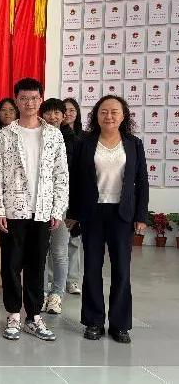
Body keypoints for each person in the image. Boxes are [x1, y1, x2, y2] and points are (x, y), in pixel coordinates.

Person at [0, 78, 68, 342]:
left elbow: (61, 174)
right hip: (13, 210)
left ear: (40, 100)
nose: (29, 103)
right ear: (16, 100)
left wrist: (57, 209)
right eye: (24, 98)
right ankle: (13, 314)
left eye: (34, 98)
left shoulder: (54, 135)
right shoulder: (4, 135)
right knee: (11, 265)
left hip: (43, 211)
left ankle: (34, 316)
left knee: (37, 265)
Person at [69, 96, 148, 344]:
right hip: (92, 213)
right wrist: (72, 213)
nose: (109, 116)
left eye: (114, 112)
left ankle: (120, 325)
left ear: (123, 116)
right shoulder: (84, 142)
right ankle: (93, 322)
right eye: (104, 112)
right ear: (96, 115)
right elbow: (75, 179)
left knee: (122, 270)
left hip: (122, 215)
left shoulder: (134, 144)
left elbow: (142, 182)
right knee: (92, 268)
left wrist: (141, 216)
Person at [39, 98, 76, 316]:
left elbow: (78, 177)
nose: (52, 117)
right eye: (48, 113)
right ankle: (42, 292)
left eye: (57, 113)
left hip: (62, 203)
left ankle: (57, 295)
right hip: (39, 203)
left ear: (64, 116)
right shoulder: (37, 136)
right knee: (40, 251)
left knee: (60, 252)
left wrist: (73, 210)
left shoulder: (74, 140)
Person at [0, 97, 19, 291]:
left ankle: (8, 275)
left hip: (17, 196)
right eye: (3, 110)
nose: (7, 114)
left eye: (11, 110)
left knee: (11, 240)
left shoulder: (22, 134)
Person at [63, 96, 84, 296]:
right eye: (65, 110)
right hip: (58, 193)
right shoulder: (54, 134)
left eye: (72, 110)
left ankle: (72, 280)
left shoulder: (84, 137)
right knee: (54, 241)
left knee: (74, 240)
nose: (68, 113)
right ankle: (53, 280)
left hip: (76, 193)